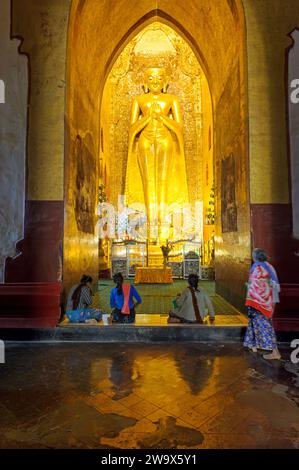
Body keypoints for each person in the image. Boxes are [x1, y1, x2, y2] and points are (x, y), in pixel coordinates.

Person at [244, 248, 281, 360]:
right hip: (268, 302)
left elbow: (255, 286)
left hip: (259, 304)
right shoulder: (269, 267)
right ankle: (252, 344)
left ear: (255, 257)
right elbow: (273, 285)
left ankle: (275, 352)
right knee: (253, 323)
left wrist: (248, 286)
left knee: (265, 326)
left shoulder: (258, 269)